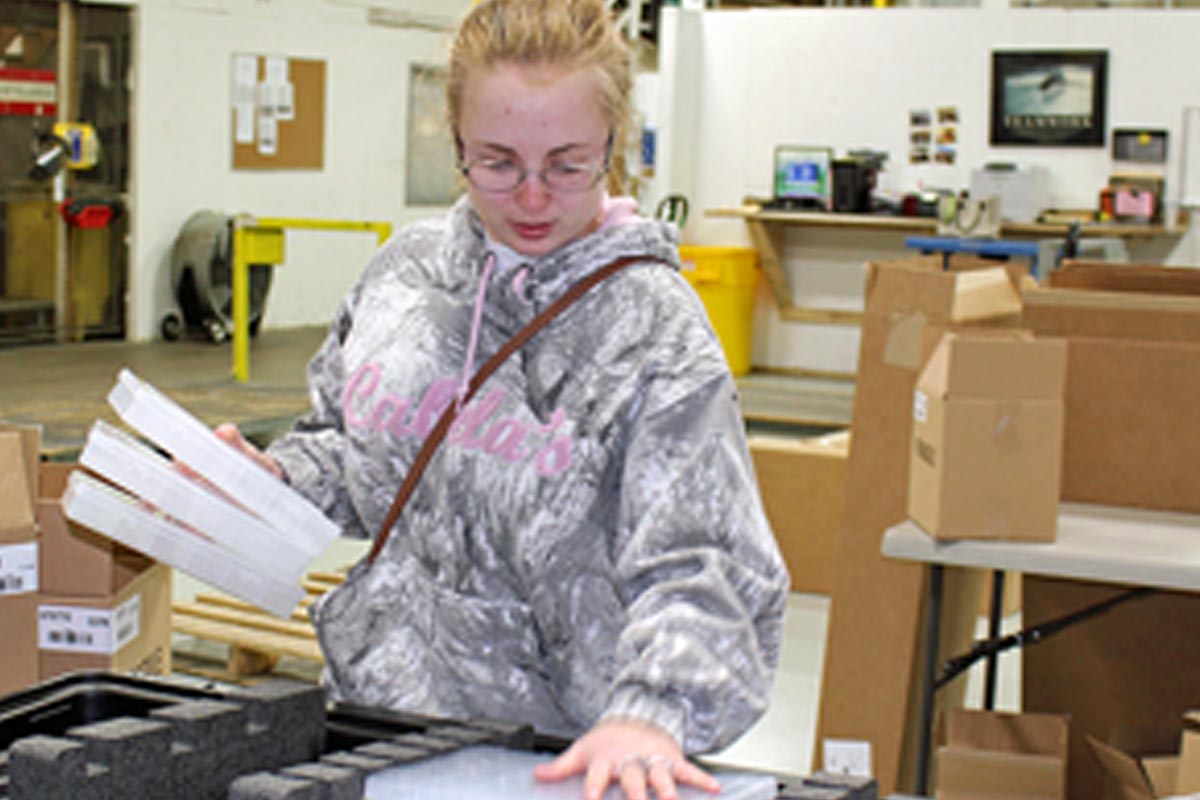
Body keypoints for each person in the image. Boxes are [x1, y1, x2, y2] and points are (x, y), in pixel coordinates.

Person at [215, 1, 789, 798]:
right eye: (496, 161)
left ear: (613, 147)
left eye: (566, 164)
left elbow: (705, 560)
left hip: (567, 758)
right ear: (455, 141)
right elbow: (355, 455)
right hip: (381, 731)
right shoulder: (406, 280)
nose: (529, 198)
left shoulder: (652, 329)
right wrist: (271, 481)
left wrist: (651, 711)